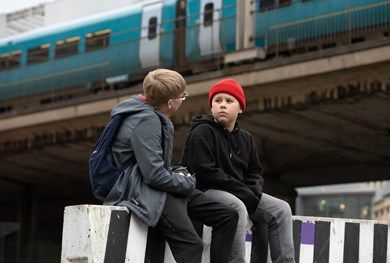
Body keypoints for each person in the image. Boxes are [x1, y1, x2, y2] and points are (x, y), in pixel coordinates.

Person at [103, 69, 238, 263]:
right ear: (170, 103)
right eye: (181, 96)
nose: (183, 99)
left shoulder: (152, 115)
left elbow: (154, 165)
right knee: (191, 245)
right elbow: (154, 175)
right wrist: (187, 183)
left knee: (227, 216)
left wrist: (178, 173)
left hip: (155, 185)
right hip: (142, 190)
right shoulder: (146, 122)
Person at [181, 78, 295, 263]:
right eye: (217, 101)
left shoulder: (246, 139)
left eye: (229, 101)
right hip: (204, 190)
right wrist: (244, 193)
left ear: (240, 108)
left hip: (240, 192)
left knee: (282, 209)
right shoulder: (201, 132)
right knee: (237, 207)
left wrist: (253, 192)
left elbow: (255, 172)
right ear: (211, 107)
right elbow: (205, 172)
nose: (222, 105)